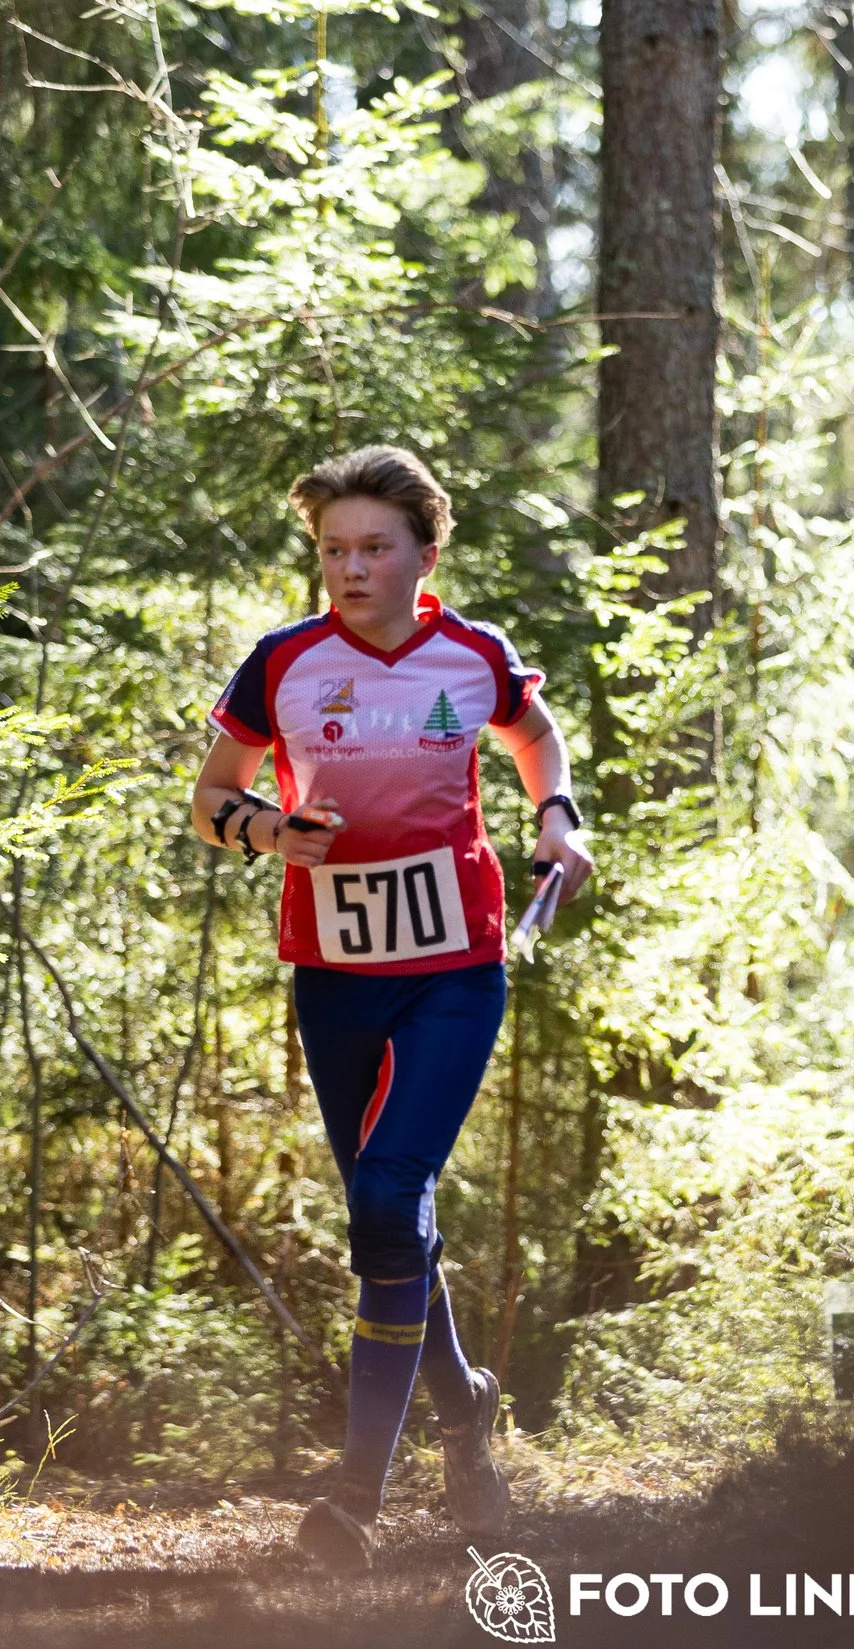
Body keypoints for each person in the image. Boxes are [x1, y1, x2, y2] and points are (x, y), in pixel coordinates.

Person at [188, 446, 592, 1574]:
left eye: (374, 548)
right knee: (385, 1222)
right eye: (332, 550)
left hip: (456, 963)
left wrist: (555, 814)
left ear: (424, 552)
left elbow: (532, 736)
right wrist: (267, 829)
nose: (350, 568)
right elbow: (209, 799)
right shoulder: (283, 663)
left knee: (387, 1185)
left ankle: (354, 1495)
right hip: (334, 970)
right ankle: (464, 1410)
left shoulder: (472, 656)